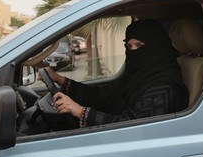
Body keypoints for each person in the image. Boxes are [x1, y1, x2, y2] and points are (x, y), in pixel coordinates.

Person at [39, 19, 189, 128]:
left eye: (139, 45)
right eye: (129, 46)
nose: (134, 51)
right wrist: (59, 79)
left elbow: (132, 127)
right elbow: (107, 96)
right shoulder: (138, 75)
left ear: (157, 45)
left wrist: (80, 112)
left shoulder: (164, 87)